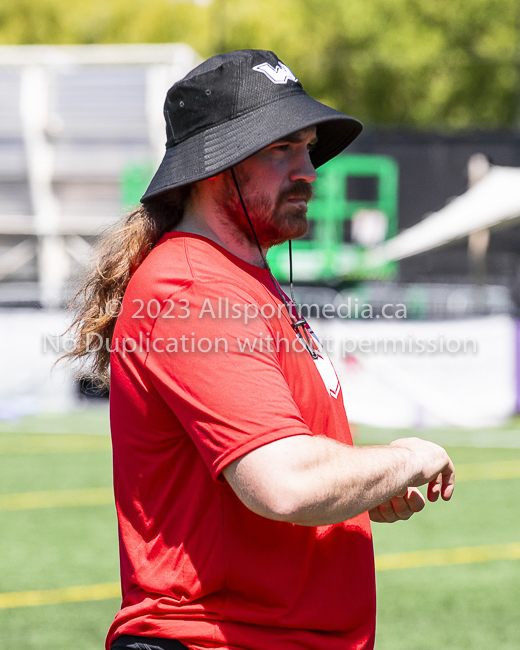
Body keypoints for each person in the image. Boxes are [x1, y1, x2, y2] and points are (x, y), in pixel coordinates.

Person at [66, 49, 455, 650]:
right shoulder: (193, 290)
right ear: (215, 169)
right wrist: (405, 458)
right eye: (282, 150)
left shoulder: (239, 281)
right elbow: (285, 484)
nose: (309, 171)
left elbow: (285, 473)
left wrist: (361, 487)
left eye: (306, 147)